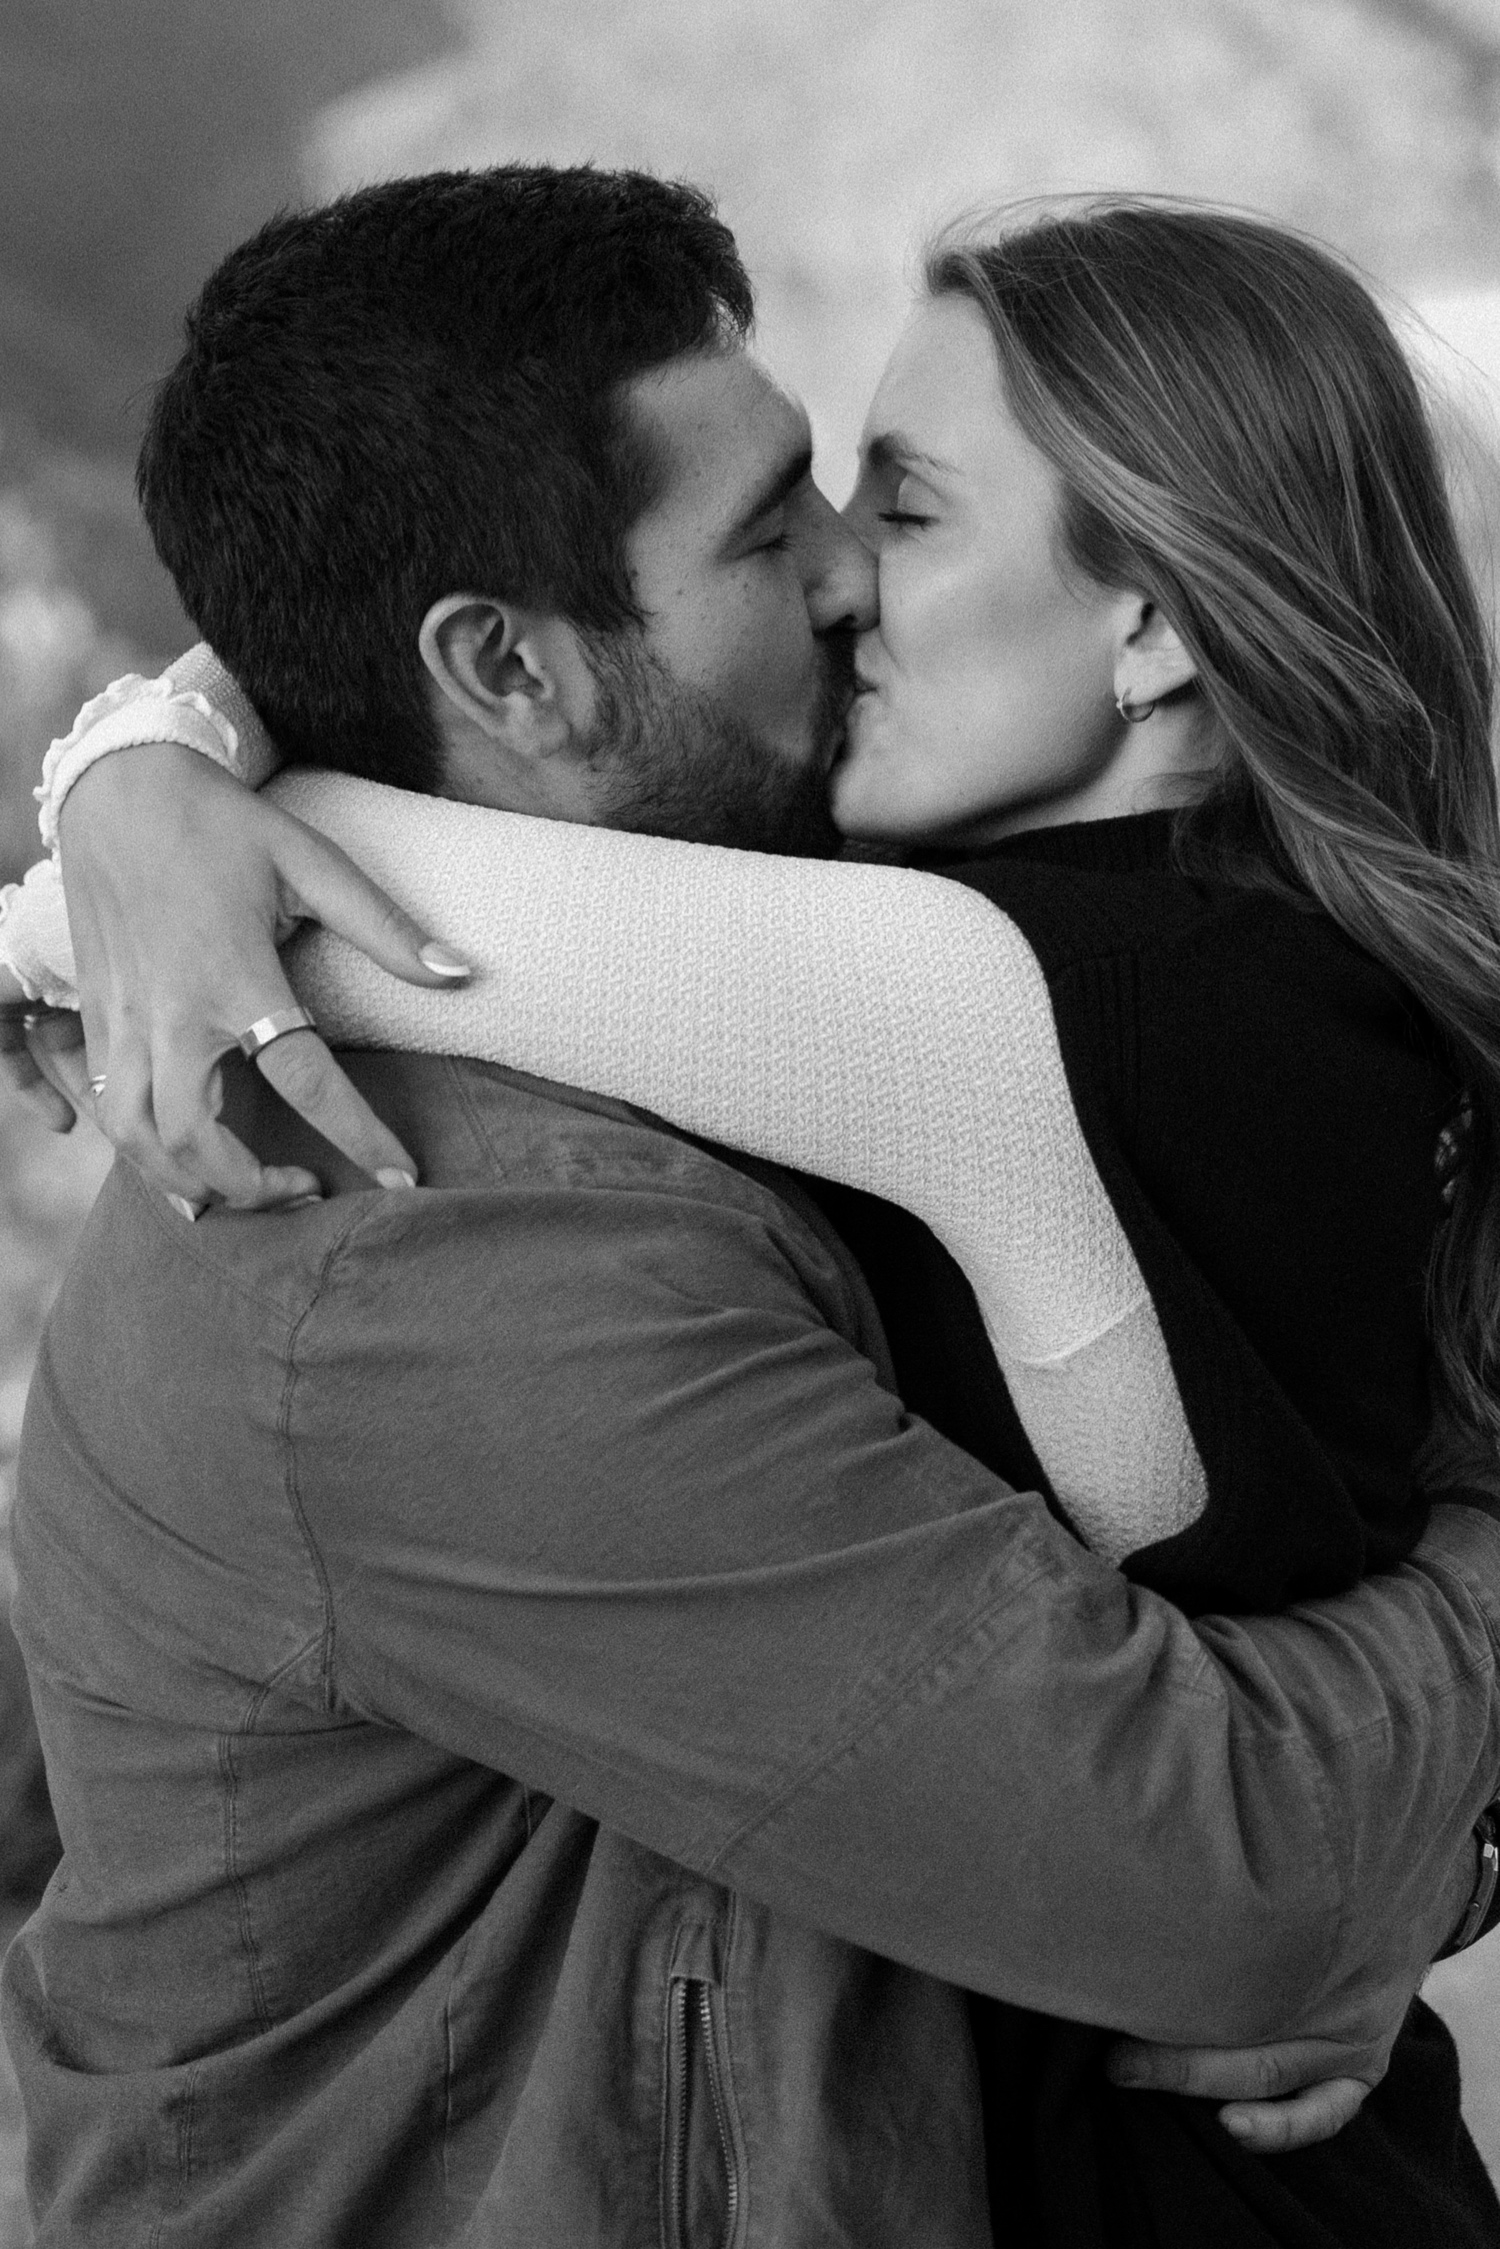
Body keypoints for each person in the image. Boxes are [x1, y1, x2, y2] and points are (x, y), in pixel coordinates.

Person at [3, 170, 1500, 2247]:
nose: (837, 585)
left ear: (1154, 621)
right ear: (512, 672)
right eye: (787, 522)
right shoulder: (424, 1257)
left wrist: (141, 804)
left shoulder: (998, 992)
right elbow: (1234, 1875)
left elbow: (1236, 1880)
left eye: (890, 506)